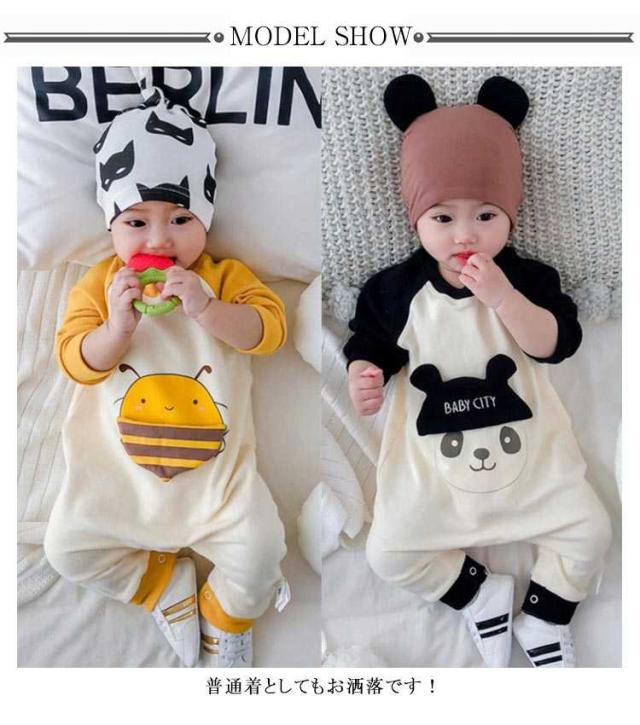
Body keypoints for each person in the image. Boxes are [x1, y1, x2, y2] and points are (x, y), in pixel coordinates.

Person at [344, 74, 611, 667]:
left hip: (535, 468)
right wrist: (364, 374)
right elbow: (371, 346)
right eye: (442, 218)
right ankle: (476, 592)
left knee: (591, 532)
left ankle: (545, 616)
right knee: (387, 554)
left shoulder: (529, 279)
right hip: (433, 478)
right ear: (415, 219)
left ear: (511, 215)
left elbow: (555, 344)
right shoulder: (396, 291)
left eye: (486, 215)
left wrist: (504, 298)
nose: (465, 234)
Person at [45, 91, 289, 668]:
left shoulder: (223, 277)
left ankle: (226, 613)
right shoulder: (101, 285)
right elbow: (74, 359)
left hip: (218, 487)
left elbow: (270, 332)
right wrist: (115, 329)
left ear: (206, 218)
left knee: (263, 552)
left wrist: (208, 309)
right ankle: (161, 585)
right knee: (65, 550)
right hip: (117, 483)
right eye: (136, 222)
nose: (158, 240)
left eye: (181, 220)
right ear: (111, 224)